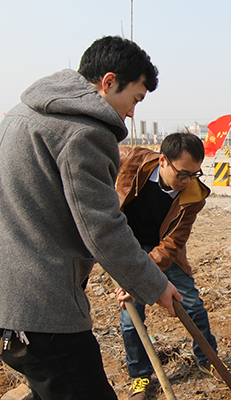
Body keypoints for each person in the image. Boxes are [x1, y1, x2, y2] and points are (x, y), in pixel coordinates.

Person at [0, 36, 182, 400]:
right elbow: (102, 228)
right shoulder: (83, 132)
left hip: (9, 301)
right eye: (135, 99)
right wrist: (155, 285)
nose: (132, 113)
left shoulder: (23, 114)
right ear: (109, 81)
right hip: (43, 308)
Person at [115, 133, 231, 399]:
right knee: (131, 317)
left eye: (195, 173)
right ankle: (141, 379)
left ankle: (208, 361)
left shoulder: (194, 195)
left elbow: (172, 243)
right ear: (163, 160)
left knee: (191, 305)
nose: (188, 180)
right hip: (128, 250)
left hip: (166, 255)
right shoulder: (131, 160)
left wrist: (144, 276)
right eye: (182, 173)